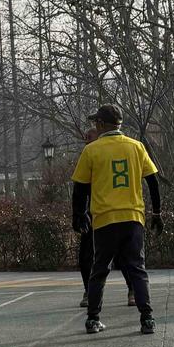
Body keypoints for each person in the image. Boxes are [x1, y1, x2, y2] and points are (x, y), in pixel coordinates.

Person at [71, 104, 161, 336]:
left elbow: (80, 188)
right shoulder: (136, 147)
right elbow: (153, 181)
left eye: (96, 122)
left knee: (99, 270)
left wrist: (78, 215)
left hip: (104, 220)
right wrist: (157, 213)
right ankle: (147, 319)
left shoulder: (92, 150)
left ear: (101, 124)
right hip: (133, 218)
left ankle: (93, 319)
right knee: (137, 269)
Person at [75, 122, 134, 310]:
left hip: (113, 213)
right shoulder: (88, 156)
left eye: (89, 137)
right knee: (86, 256)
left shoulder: (109, 154)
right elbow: (80, 189)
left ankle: (132, 289)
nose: (86, 141)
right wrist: (79, 213)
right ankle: (89, 292)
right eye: (85, 139)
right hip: (93, 214)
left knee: (122, 256)